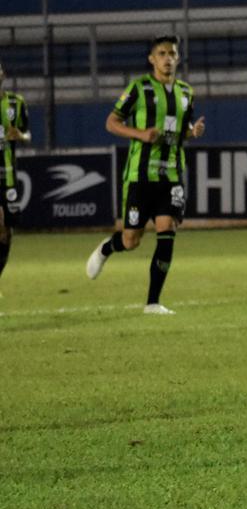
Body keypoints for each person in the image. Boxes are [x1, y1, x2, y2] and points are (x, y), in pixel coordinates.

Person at [86, 34, 205, 314]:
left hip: (171, 175)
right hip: (140, 178)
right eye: (162, 53)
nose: (167, 58)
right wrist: (140, 134)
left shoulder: (187, 93)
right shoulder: (139, 88)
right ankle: (107, 248)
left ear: (178, 58)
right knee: (131, 240)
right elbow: (111, 122)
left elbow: (179, 132)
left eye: (172, 54)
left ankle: (153, 302)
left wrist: (192, 132)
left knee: (167, 229)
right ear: (152, 59)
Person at [0, 61, 32, 289]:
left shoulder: (16, 103)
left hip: (9, 176)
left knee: (6, 234)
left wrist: (20, 136)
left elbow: (29, 134)